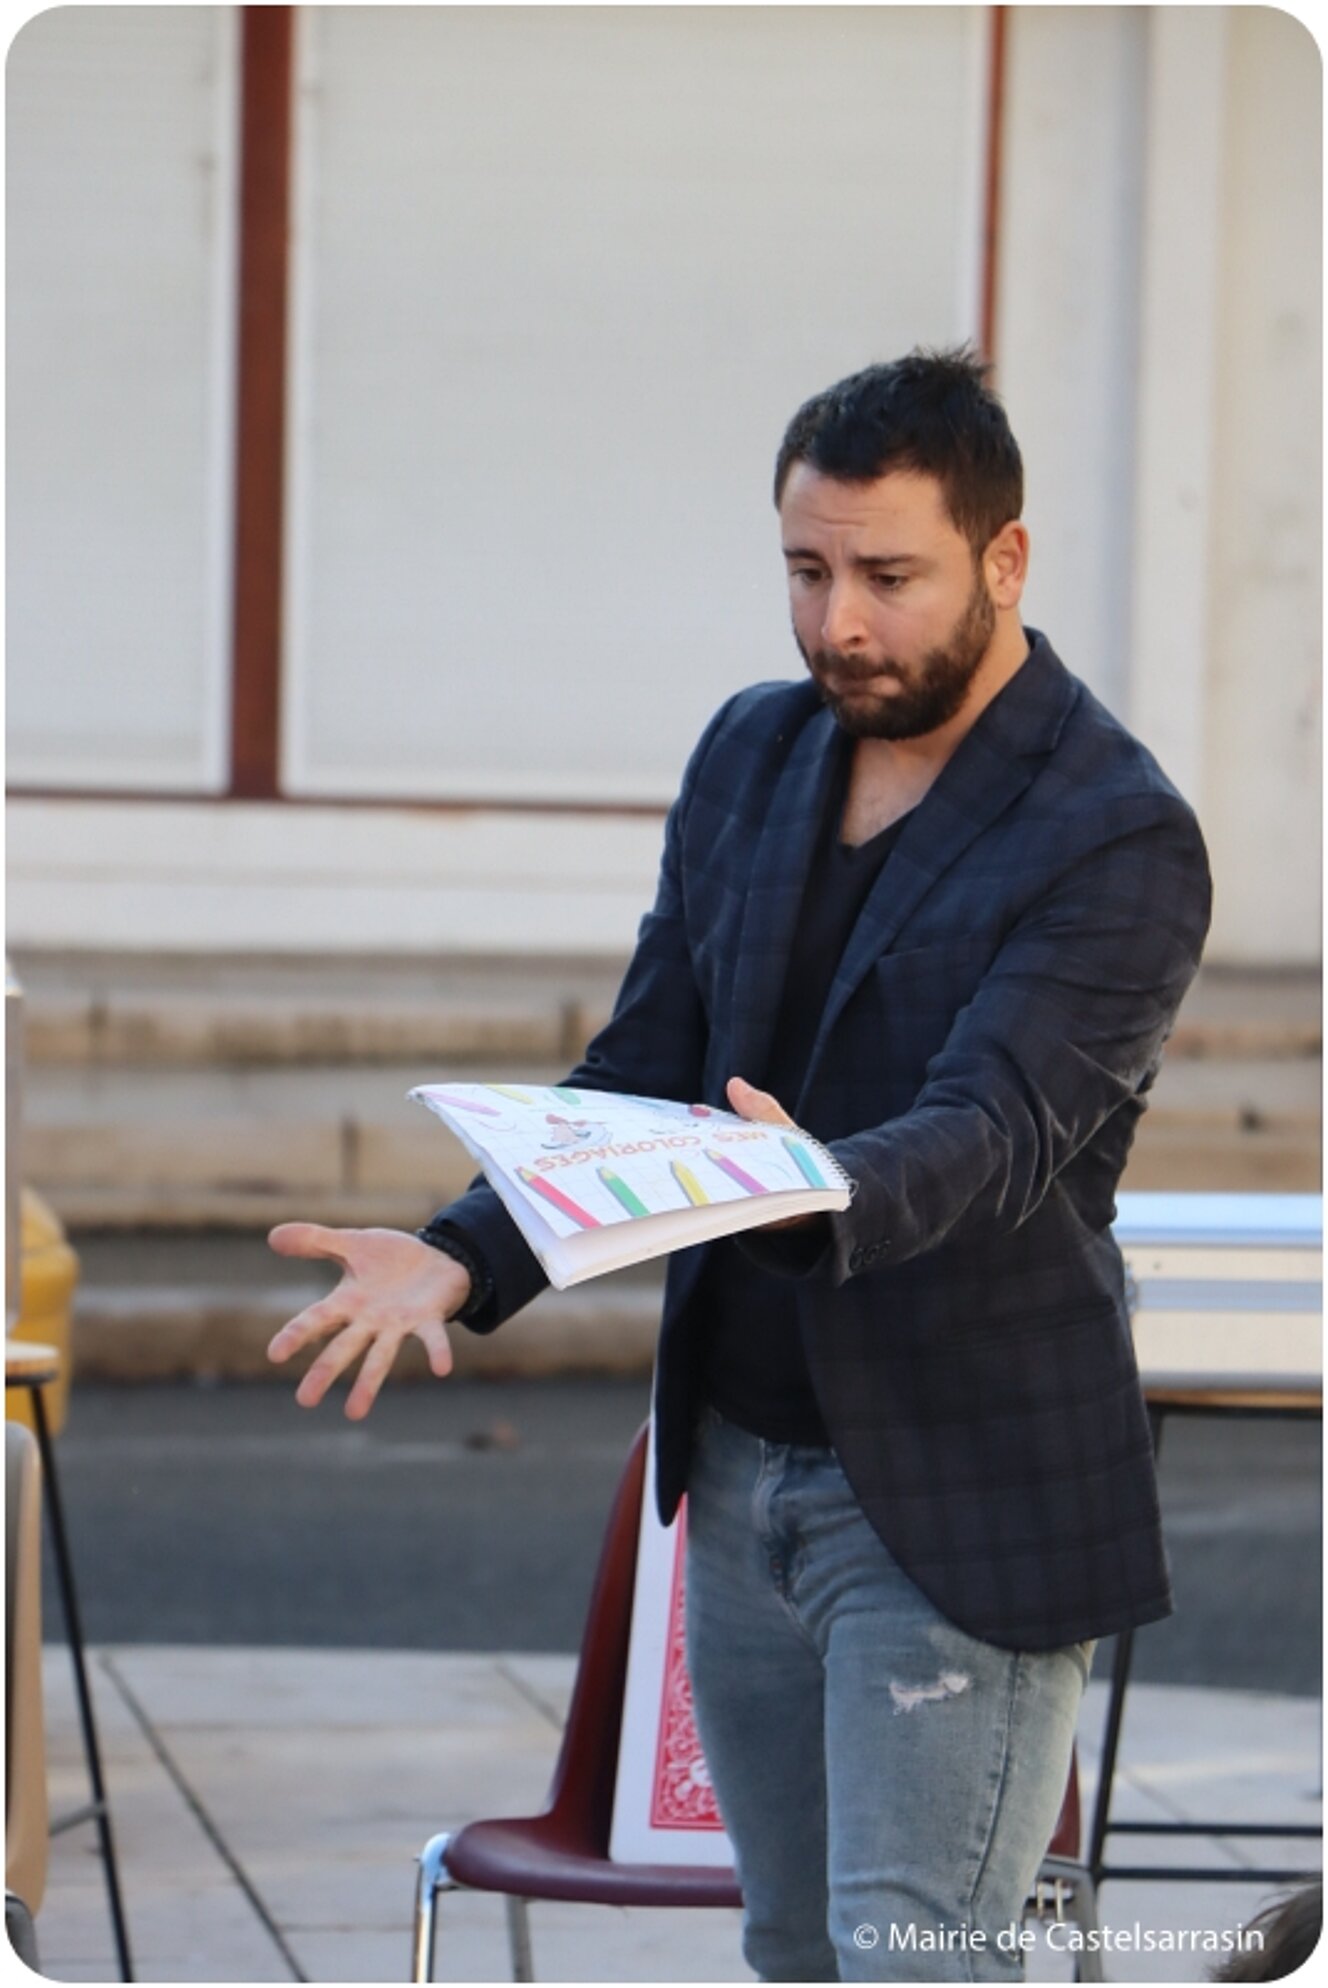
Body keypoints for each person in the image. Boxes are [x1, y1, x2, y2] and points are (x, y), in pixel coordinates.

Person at [268, 349, 1212, 1981]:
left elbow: (995, 1133)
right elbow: (642, 1070)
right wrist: (468, 1251)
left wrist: (815, 1185)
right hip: (741, 1462)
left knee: (919, 1963)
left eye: (888, 577)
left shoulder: (1117, 832)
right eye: (806, 569)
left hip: (956, 1491)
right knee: (793, 1955)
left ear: (1007, 561)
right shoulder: (750, 757)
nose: (838, 620)